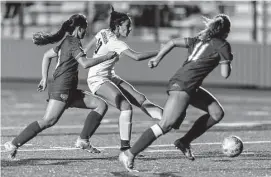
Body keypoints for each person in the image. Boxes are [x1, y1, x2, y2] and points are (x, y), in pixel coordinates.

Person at [119, 14, 233, 171]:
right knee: (166, 125)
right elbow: (225, 74)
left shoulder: (198, 40)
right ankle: (129, 154)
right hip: (183, 85)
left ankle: (184, 142)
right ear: (226, 32)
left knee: (216, 113)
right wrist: (227, 61)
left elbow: (172, 42)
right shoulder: (222, 45)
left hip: (188, 85)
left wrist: (158, 58)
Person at [4, 14, 117, 159]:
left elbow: (46, 55)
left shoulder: (67, 41)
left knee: (101, 105)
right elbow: (84, 63)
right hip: (62, 89)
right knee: (48, 121)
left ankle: (83, 140)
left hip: (69, 90)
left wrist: (45, 79)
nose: (85, 32)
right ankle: (13, 144)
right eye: (84, 29)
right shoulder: (73, 42)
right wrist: (107, 57)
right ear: (78, 28)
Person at [83, 7, 163, 151]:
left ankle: (166, 118)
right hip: (97, 79)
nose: (130, 29)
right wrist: (160, 51)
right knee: (126, 106)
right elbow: (136, 57)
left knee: (139, 98)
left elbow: (85, 49)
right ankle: (125, 149)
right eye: (128, 25)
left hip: (108, 75)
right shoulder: (116, 43)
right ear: (118, 26)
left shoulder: (103, 32)